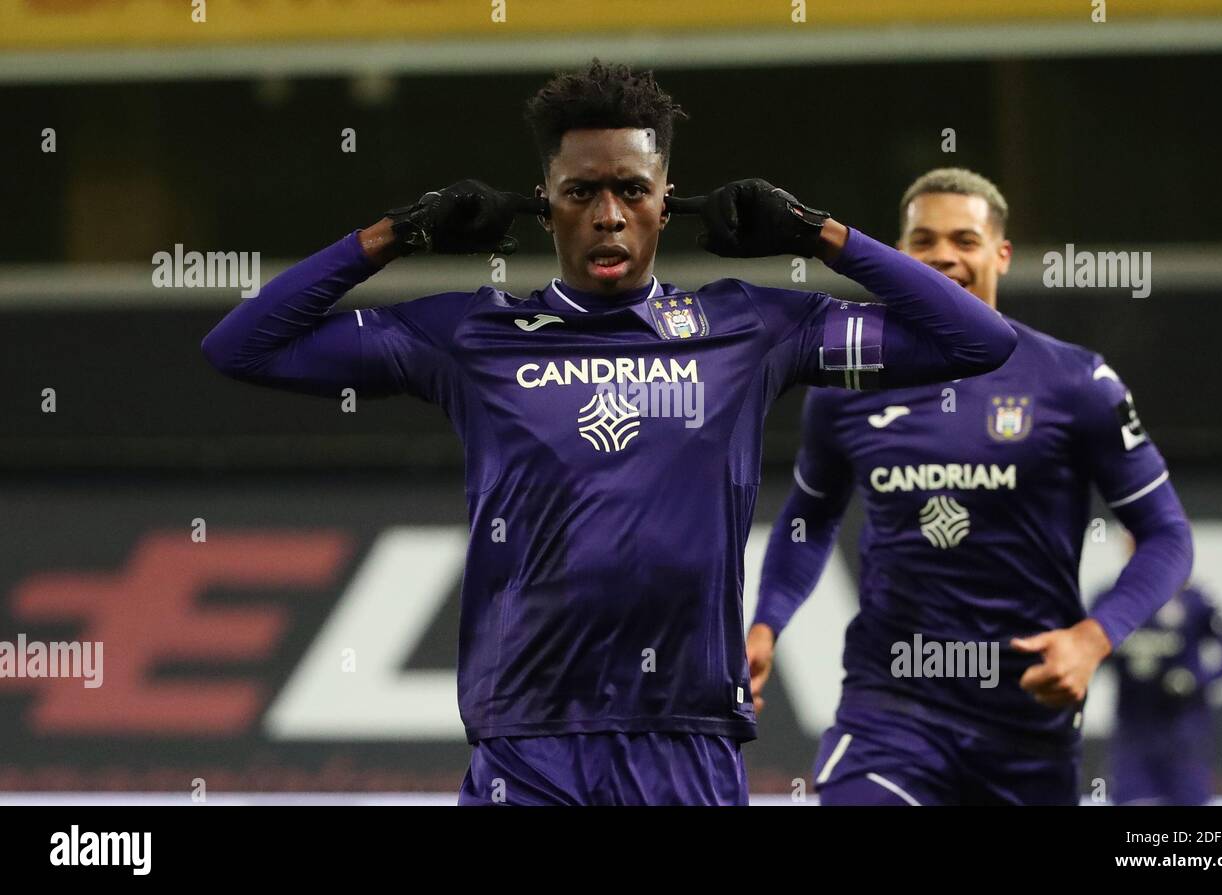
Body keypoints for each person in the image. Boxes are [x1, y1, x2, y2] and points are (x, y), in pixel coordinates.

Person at [201, 64, 1016, 805]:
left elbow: (976, 340)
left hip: (687, 740)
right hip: (528, 743)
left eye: (631, 190)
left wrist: (817, 233)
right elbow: (242, 345)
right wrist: (398, 233)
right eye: (581, 193)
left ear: (667, 197)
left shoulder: (750, 326)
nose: (609, 216)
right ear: (545, 199)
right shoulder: (472, 335)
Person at [749, 167, 1193, 805]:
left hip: (1025, 715)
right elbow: (809, 519)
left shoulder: (1075, 383)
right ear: (899, 254)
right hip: (891, 703)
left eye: (964, 239)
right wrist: (766, 625)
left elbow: (1167, 534)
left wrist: (1093, 639)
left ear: (1001, 254)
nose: (943, 257)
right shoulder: (844, 386)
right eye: (924, 241)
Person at [1110, 574, 1222, 805]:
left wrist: (1196, 680)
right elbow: (1087, 654)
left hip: (1184, 731)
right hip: (1132, 732)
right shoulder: (1112, 601)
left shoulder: (1195, 602)